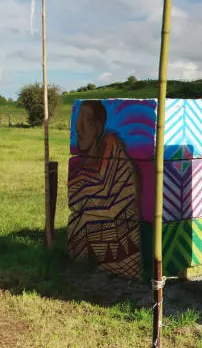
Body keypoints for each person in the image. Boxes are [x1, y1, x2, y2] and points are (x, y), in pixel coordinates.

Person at [67, 100, 143, 280]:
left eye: (85, 122)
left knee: (83, 221)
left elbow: (114, 200)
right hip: (99, 232)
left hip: (121, 238)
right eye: (78, 122)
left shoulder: (112, 148)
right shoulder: (84, 162)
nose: (79, 128)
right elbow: (78, 197)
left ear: (98, 127)